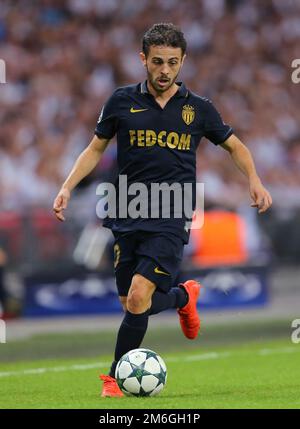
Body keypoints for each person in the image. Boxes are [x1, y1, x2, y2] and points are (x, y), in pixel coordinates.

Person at [53, 23, 272, 397]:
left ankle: (114, 380)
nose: (165, 70)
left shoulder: (199, 109)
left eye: (172, 62)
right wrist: (67, 186)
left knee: (138, 296)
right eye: (157, 62)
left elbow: (236, 146)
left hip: (172, 213)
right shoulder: (121, 101)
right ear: (143, 60)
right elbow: (95, 149)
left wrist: (255, 179)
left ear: (183, 61)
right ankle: (184, 297)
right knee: (131, 302)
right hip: (125, 210)